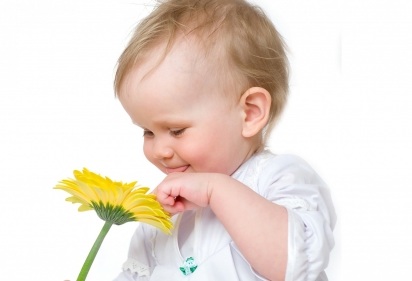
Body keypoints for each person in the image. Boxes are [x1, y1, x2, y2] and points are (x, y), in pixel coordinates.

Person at [113, 0, 336, 280]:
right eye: (147, 132)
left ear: (250, 113)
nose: (159, 150)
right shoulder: (160, 218)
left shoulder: (277, 179)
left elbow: (295, 263)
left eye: (177, 130)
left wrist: (214, 190)